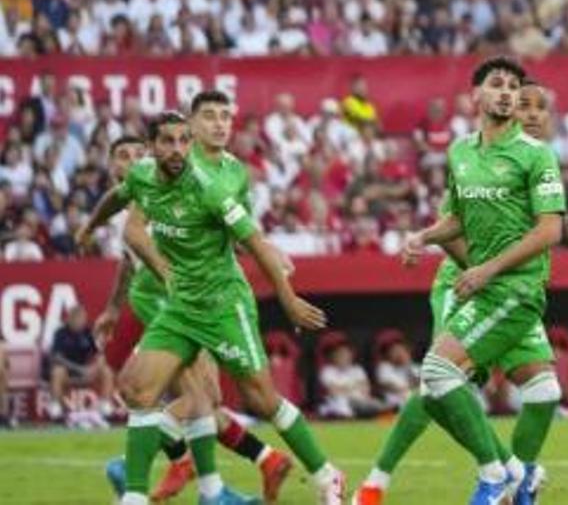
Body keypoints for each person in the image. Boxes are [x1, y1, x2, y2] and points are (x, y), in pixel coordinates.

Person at [353, 62, 568, 505]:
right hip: (467, 283)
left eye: (519, 90)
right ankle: (503, 475)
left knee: (507, 385)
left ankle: (503, 475)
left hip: (507, 286)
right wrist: (423, 236)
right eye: (499, 86)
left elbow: (551, 228)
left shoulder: (535, 155)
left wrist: (489, 269)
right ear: (475, 95)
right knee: (438, 379)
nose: (512, 97)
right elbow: (456, 220)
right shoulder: (461, 152)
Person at [84, 111, 344, 505]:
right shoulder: (142, 176)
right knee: (136, 388)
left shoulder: (210, 189)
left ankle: (326, 475)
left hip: (223, 306)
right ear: (151, 147)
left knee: (260, 399)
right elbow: (118, 207)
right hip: (180, 307)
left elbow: (254, 243)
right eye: (168, 141)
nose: (177, 149)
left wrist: (289, 299)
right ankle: (137, 497)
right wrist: (89, 227)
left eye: (183, 141)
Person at [47, 304, 115, 422]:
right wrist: (79, 369)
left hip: (86, 372)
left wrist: (95, 367)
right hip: (67, 372)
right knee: (57, 372)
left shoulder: (88, 333)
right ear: (69, 319)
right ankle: (56, 409)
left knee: (106, 371)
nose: (80, 322)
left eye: (82, 319)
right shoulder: (60, 333)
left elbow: (99, 354)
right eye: (77, 319)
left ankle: (105, 406)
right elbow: (56, 357)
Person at [319, 342, 387, 419]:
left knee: (377, 404)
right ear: (333, 356)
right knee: (341, 402)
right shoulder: (327, 371)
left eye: (347, 354)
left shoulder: (358, 369)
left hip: (360, 401)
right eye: (340, 354)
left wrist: (344, 388)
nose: (344, 357)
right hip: (340, 402)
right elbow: (333, 391)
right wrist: (354, 387)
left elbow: (366, 389)